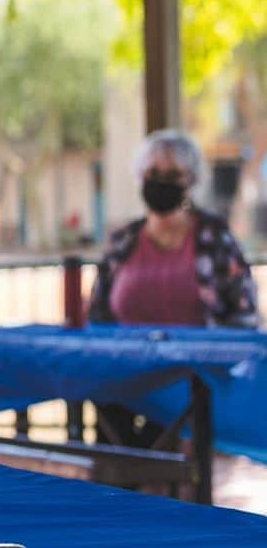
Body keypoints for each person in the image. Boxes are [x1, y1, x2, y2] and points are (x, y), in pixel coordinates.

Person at [88, 129, 258, 446]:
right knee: (113, 447)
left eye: (172, 174)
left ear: (191, 179)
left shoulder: (214, 238)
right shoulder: (123, 240)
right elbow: (97, 317)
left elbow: (243, 315)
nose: (160, 180)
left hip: (191, 385)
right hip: (124, 380)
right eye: (152, 172)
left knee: (163, 447)